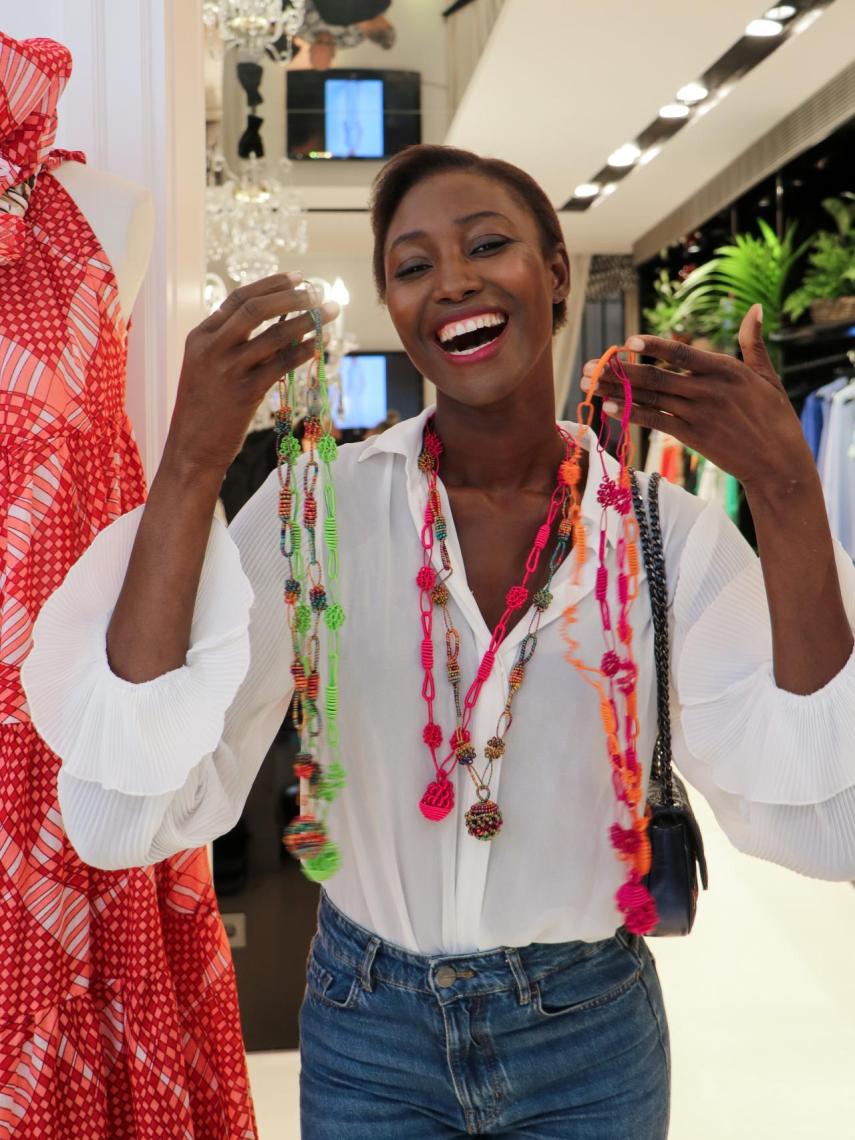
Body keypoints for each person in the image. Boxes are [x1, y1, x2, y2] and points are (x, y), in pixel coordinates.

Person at [23, 145, 855, 1139]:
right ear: (395, 308)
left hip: (587, 1032)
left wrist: (791, 491)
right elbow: (128, 801)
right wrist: (193, 456)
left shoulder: (658, 529)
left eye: (488, 245)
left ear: (556, 270)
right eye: (413, 266)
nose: (452, 280)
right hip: (368, 1026)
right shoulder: (315, 510)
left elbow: (824, 804)